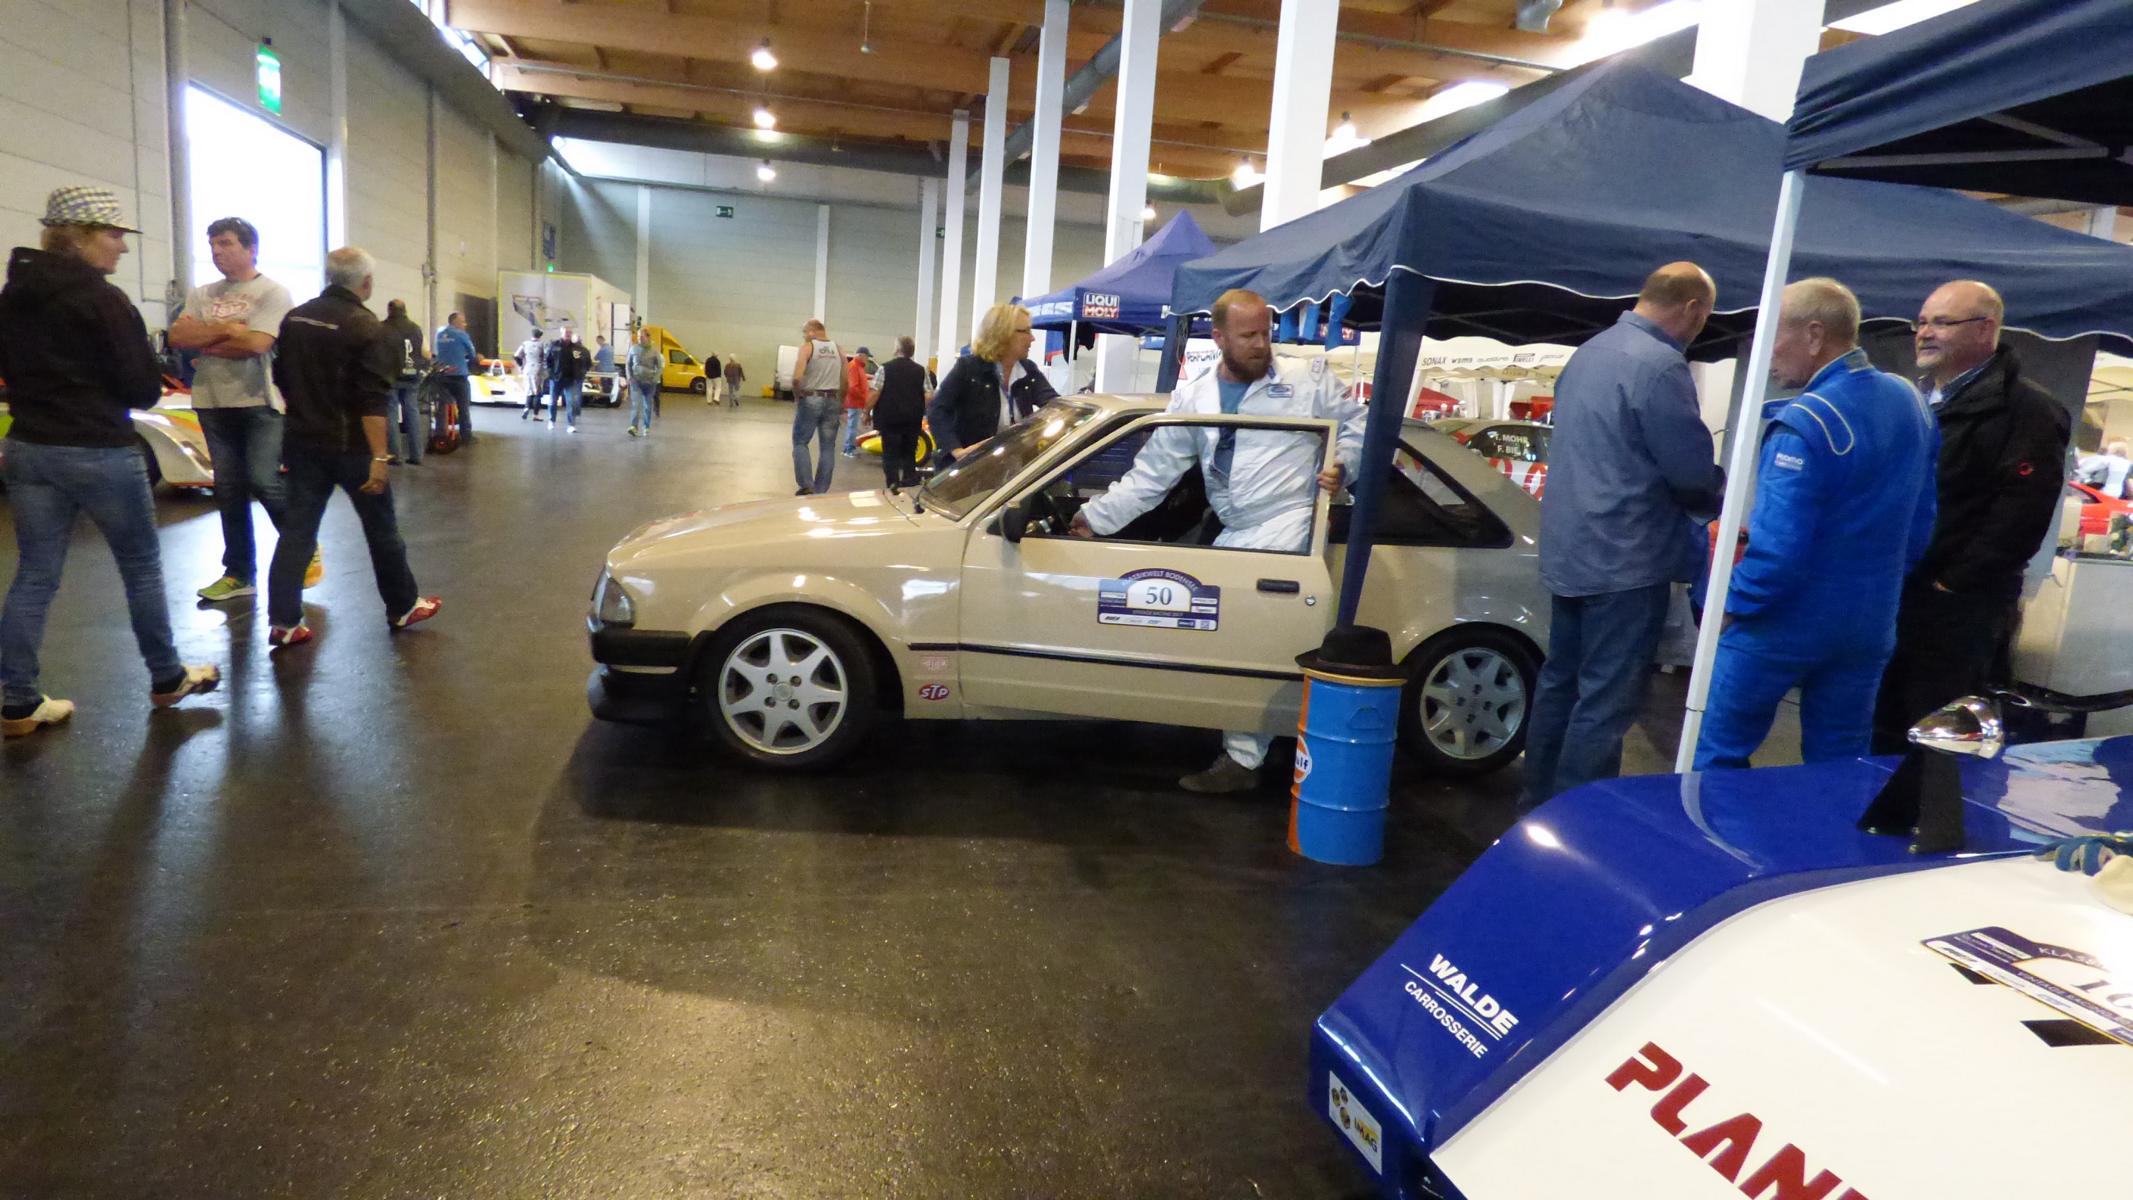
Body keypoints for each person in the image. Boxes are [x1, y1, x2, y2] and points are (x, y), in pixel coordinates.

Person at [1070, 289, 1363, 793]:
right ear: (1219, 337)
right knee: (1227, 637)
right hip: (1237, 530)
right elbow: (1153, 474)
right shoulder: (1195, 397)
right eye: (1248, 335)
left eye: (1265, 332)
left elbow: (1359, 425)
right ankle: (1234, 736)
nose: (1261, 344)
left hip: (1288, 522)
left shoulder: (1306, 380)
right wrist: (1095, 518)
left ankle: (1244, 762)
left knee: (1253, 640)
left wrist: (1342, 464)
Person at [0, 186, 220, 735]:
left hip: (29, 448)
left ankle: (18, 701)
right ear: (78, 237)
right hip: (99, 448)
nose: (122, 246)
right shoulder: (104, 300)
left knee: (35, 575)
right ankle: (167, 677)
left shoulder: (12, 295)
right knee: (141, 567)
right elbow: (143, 387)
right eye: (114, 234)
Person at [1692, 279, 1937, 770]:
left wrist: (1729, 605)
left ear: (1814, 334)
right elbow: (1920, 526)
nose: (1764, 353)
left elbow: (1778, 555)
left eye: (1772, 336)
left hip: (1782, 625)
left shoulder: (1805, 422)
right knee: (1841, 767)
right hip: (1870, 623)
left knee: (1717, 760)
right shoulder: (1911, 404)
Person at [1520, 262, 1724, 812]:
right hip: (1627, 558)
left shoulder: (1588, 354)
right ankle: (1578, 822)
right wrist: (1719, 493)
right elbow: (1689, 473)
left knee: (1560, 686)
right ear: (1692, 309)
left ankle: (1535, 810)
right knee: (1605, 703)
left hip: (1571, 552)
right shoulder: (1661, 366)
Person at [1872, 280, 2071, 752]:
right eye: (1922, 322)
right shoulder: (1915, 399)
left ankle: (1927, 802)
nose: (1925, 333)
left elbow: (2022, 513)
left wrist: (1954, 582)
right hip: (1898, 594)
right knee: (1881, 729)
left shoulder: (2028, 411)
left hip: (1957, 609)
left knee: (1936, 740)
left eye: (1942, 322)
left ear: (1985, 330)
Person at [264, 247, 440, 648]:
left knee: (297, 532)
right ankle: (403, 605)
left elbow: (281, 377)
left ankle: (284, 622)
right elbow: (373, 401)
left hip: (303, 443)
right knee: (382, 530)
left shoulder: (295, 319)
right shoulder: (367, 328)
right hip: (352, 449)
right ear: (366, 283)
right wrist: (379, 456)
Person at [168, 216, 317, 602]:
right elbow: (179, 337)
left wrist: (208, 340)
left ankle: (303, 542)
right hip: (212, 401)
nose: (217, 252)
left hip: (259, 402)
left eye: (225, 243)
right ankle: (238, 573)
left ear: (251, 248)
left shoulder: (273, 293)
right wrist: (227, 330)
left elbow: (256, 344)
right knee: (228, 489)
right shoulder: (202, 293)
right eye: (213, 245)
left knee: (262, 479)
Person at [927, 304, 1059, 465]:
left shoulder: (1028, 370)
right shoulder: (968, 368)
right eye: (1026, 331)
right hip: (971, 468)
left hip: (1012, 467)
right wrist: (956, 450)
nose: (1032, 338)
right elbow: (937, 409)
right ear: (1004, 334)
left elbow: (1054, 404)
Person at [791, 319, 846, 495]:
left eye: (805, 332)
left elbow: (797, 378)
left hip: (811, 398)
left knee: (800, 442)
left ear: (812, 331)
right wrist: (841, 403)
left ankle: (807, 485)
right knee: (828, 447)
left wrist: (797, 396)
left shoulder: (808, 348)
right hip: (833, 400)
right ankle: (821, 490)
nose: (804, 336)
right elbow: (845, 380)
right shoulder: (839, 350)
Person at [873, 336, 929, 490]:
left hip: (890, 420)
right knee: (909, 454)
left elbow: (875, 392)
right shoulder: (921, 370)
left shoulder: (885, 368)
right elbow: (929, 395)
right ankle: (908, 485)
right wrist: (920, 409)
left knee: (890, 455)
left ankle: (893, 484)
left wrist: (866, 411)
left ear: (898, 349)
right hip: (912, 421)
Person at [380, 298, 428, 465]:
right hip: (412, 375)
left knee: (391, 413)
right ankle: (417, 455)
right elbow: (425, 352)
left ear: (389, 310)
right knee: (412, 412)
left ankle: (395, 456)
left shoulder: (382, 328)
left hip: (391, 375)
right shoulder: (416, 328)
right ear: (405, 310)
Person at [432, 310, 479, 444]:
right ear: (455, 322)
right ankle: (466, 436)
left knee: (442, 407)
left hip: (442, 374)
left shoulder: (439, 333)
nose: (465, 324)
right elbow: (472, 353)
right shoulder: (461, 334)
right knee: (463, 407)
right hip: (459, 375)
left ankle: (440, 434)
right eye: (463, 322)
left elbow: (437, 352)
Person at [544, 326, 592, 433]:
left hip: (571, 379)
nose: (568, 334)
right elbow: (547, 360)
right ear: (561, 333)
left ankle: (571, 424)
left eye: (570, 332)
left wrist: (581, 373)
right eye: (566, 332)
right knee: (553, 400)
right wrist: (550, 373)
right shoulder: (554, 345)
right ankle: (551, 420)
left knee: (572, 401)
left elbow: (584, 362)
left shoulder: (577, 349)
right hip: (556, 379)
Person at [626, 327, 662, 437]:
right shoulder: (633, 349)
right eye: (638, 337)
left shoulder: (655, 351)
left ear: (647, 337)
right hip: (636, 381)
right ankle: (633, 427)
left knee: (647, 405)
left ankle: (646, 426)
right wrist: (629, 377)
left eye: (641, 337)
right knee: (636, 404)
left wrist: (655, 379)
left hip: (649, 383)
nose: (639, 339)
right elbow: (628, 364)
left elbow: (659, 367)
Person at [841, 346, 875, 456]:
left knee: (852, 425)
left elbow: (859, 380)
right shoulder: (854, 367)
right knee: (852, 426)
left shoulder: (858, 367)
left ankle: (849, 447)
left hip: (856, 401)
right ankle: (849, 449)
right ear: (861, 355)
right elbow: (853, 387)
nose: (867, 359)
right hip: (855, 402)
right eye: (867, 357)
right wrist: (863, 397)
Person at [516, 326, 548, 421]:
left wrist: (521, 365)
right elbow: (547, 356)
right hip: (538, 368)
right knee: (537, 392)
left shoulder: (525, 344)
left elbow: (516, 356)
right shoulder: (542, 344)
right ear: (540, 336)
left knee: (529, 390)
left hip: (527, 368)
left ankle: (526, 408)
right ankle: (536, 414)